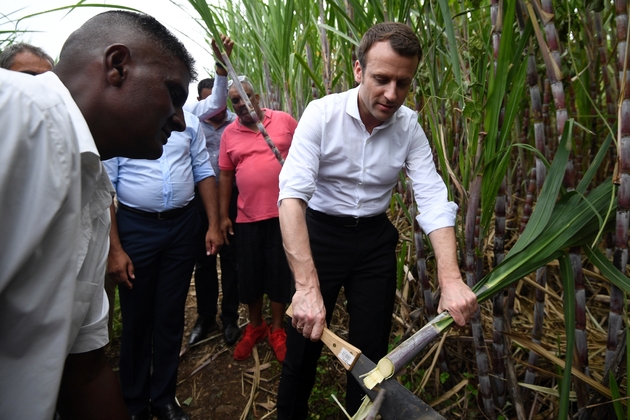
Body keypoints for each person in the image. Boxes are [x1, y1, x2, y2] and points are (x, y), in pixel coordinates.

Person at [276, 22, 478, 418]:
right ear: (358, 70)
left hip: (373, 241)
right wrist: (305, 286)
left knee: (371, 358)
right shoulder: (322, 114)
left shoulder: (409, 127)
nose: (391, 95)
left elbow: (433, 197)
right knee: (303, 346)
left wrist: (451, 279)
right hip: (318, 235)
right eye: (381, 79)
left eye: (403, 83)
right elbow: (292, 198)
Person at [0, 10, 195, 420]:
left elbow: (84, 369)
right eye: (173, 94)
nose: (180, 121)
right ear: (118, 66)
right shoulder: (15, 109)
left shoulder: (93, 190)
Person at [105, 107, 222, 420]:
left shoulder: (191, 123)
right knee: (137, 318)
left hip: (182, 228)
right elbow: (105, 190)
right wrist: (115, 249)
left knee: (170, 316)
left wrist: (212, 224)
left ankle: (164, 398)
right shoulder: (124, 120)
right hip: (137, 227)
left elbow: (203, 172)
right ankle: (134, 402)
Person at [218, 78, 296, 363]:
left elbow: (305, 156)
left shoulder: (284, 121)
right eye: (235, 101)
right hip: (247, 217)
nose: (241, 104)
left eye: (245, 97)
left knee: (278, 271)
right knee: (249, 275)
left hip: (283, 214)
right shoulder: (230, 133)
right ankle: (255, 326)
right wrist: (223, 216)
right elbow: (226, 176)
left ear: (257, 96)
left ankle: (277, 329)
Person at [186, 57, 241, 347]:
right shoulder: (192, 124)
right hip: (200, 200)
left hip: (232, 199)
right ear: (200, 102)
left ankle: (229, 318)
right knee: (204, 260)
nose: (216, 110)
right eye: (209, 104)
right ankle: (205, 317)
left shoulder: (237, 124)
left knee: (231, 260)